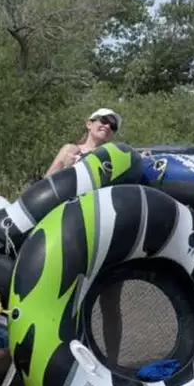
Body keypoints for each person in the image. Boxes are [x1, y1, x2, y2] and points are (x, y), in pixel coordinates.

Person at [44, 109, 124, 364]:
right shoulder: (70, 149)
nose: (108, 125)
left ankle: (112, 361)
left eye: (113, 125)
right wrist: (66, 168)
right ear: (89, 123)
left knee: (110, 301)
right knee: (67, 298)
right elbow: (45, 185)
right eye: (104, 120)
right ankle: (64, 358)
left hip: (101, 231)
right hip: (67, 230)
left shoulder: (113, 158)